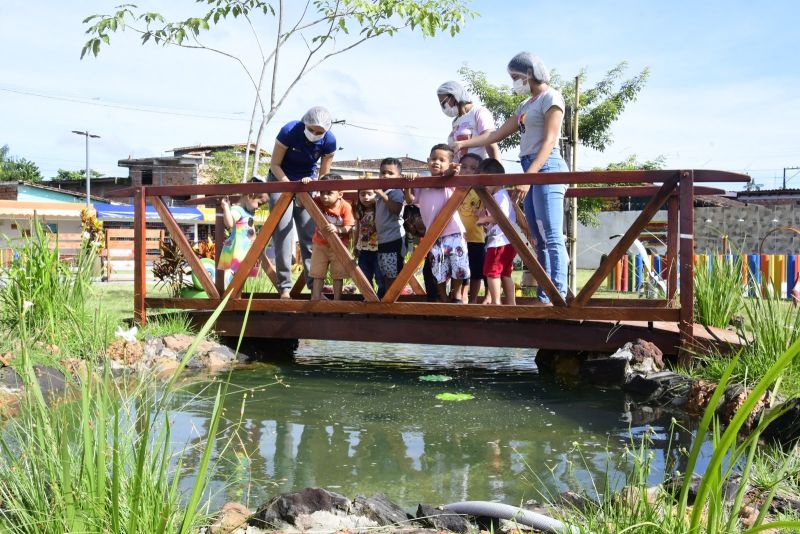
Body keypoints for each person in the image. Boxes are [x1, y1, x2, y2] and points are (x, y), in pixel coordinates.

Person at [451, 52, 569, 304]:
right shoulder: (525, 106)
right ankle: (545, 295)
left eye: (516, 77)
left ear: (531, 73)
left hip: (546, 166)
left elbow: (549, 141)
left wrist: (528, 177)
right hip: (530, 164)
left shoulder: (551, 97)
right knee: (536, 235)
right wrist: (463, 145)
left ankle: (557, 293)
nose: (515, 82)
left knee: (551, 233)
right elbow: (494, 135)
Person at [267, 106, 337, 299]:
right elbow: (275, 164)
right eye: (311, 129)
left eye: (319, 132)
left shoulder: (329, 141)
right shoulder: (289, 131)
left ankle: (315, 288)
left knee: (310, 236)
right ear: (304, 123)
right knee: (283, 233)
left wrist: (318, 194)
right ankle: (284, 288)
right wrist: (289, 187)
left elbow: (324, 175)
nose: (314, 134)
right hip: (280, 180)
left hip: (307, 184)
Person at [404, 144, 470, 302]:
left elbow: (450, 174)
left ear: (449, 163)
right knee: (437, 267)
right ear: (428, 161)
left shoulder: (450, 181)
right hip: (433, 235)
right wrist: (408, 185)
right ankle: (443, 298)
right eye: (433, 159)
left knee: (458, 265)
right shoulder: (423, 183)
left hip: (453, 231)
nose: (436, 162)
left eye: (442, 160)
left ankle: (457, 294)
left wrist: (451, 171)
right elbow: (411, 200)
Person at [475, 159, 517, 305]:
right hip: (506, 241)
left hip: (499, 242)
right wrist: (484, 218)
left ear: (495, 179)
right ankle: (511, 304)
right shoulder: (499, 196)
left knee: (492, 273)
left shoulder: (500, 195)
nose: (482, 186)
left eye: (484, 182)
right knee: (505, 274)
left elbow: (500, 217)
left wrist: (484, 219)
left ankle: (496, 302)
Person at [309, 174, 354, 301]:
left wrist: (338, 229)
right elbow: (302, 201)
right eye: (322, 192)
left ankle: (337, 300)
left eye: (329, 193)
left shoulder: (345, 206)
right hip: (320, 244)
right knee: (318, 273)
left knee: (338, 274)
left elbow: (349, 226)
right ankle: (315, 299)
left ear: (340, 194)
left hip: (339, 245)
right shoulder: (318, 201)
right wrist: (307, 184)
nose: (324, 196)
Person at [436, 80, 501, 163]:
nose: (444, 107)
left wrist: (497, 169)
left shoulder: (478, 112)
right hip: (464, 171)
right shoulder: (456, 121)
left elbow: (490, 138)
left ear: (454, 95)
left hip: (479, 169)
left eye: (444, 102)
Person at [218, 182, 269, 284]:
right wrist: (226, 207)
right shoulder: (238, 210)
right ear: (250, 195)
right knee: (237, 277)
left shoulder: (248, 212)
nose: (259, 207)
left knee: (241, 278)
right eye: (259, 203)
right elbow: (230, 223)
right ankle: (233, 296)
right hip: (239, 251)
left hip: (246, 250)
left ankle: (237, 297)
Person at [373, 158, 407, 296]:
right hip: (383, 239)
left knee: (393, 273)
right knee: (386, 271)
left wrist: (382, 194)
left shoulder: (396, 191)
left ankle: (392, 300)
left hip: (394, 239)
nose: (385, 176)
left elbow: (396, 209)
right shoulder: (381, 193)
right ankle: (388, 299)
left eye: (390, 173)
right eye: (383, 172)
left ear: (399, 177)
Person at [456, 153, 486, 303]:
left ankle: (473, 300)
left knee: (476, 273)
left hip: (476, 238)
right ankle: (460, 298)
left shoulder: (481, 191)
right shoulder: (454, 189)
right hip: (457, 238)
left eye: (473, 168)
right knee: (460, 271)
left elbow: (489, 210)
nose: (468, 171)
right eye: (464, 167)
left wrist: (483, 213)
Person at [354, 188, 385, 298]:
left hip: (378, 249)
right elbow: (357, 229)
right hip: (363, 249)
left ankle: (381, 299)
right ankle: (369, 298)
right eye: (362, 194)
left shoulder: (380, 209)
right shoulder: (359, 211)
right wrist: (355, 246)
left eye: (369, 194)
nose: (366, 197)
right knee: (365, 276)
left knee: (380, 277)